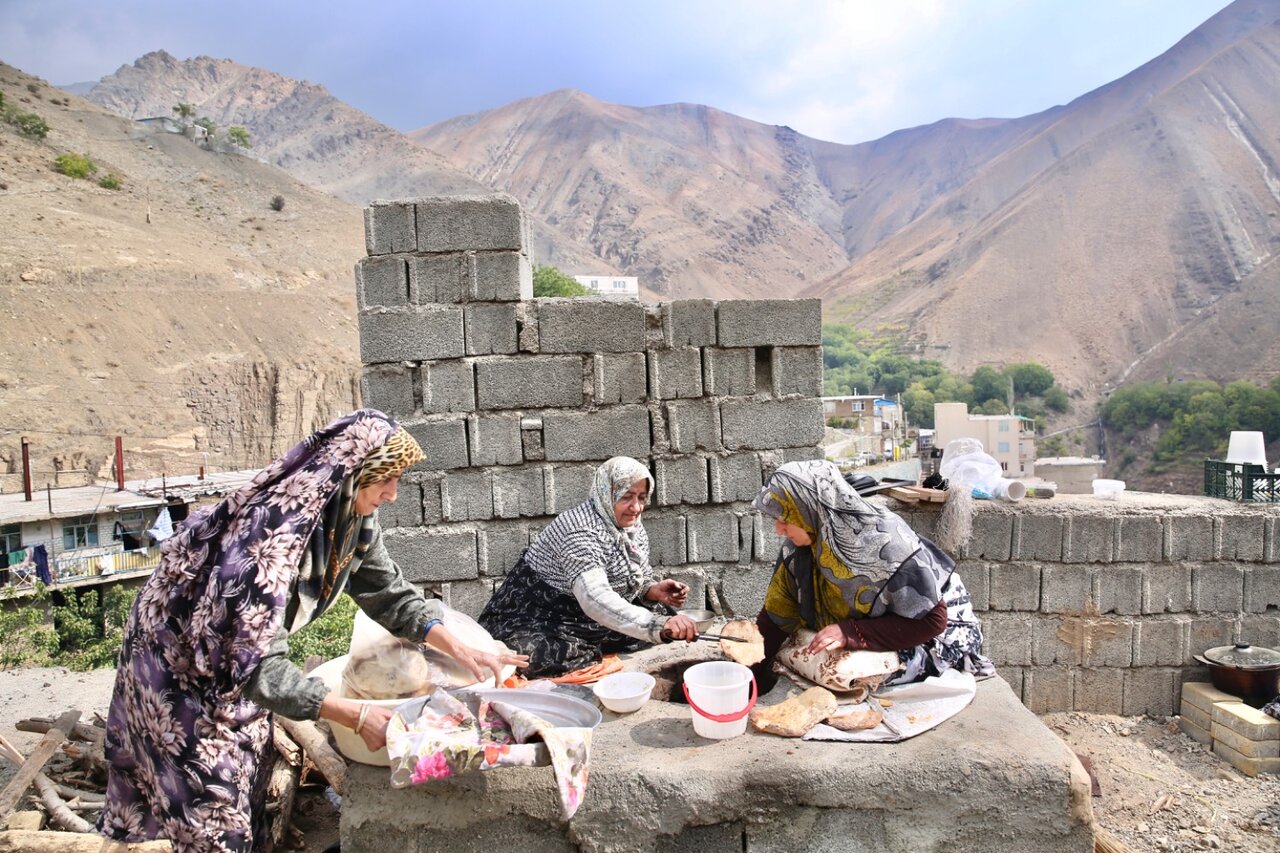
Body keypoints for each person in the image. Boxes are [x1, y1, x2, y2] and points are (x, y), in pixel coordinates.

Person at [97, 409, 526, 852]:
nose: (394, 494)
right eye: (387, 480)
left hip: (236, 667)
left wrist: (464, 649)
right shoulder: (271, 536)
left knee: (251, 787)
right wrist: (356, 715)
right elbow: (259, 669)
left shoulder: (349, 518)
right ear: (355, 472)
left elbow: (390, 596)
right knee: (212, 811)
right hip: (178, 672)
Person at [750, 459, 993, 690]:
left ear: (809, 509)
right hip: (878, 625)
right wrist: (748, 675)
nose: (779, 530)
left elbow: (932, 621)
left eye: (785, 519)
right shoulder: (800, 549)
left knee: (840, 674)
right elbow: (775, 618)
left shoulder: (886, 545)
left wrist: (852, 633)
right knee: (793, 654)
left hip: (936, 632)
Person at [479, 456, 699, 677]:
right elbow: (594, 598)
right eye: (626, 497)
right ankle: (583, 644)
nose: (636, 507)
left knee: (661, 616)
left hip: (584, 620)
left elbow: (635, 574)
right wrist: (656, 626)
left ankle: (589, 641)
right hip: (541, 616)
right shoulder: (579, 531)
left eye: (642, 497)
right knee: (527, 654)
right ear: (606, 492)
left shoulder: (630, 526)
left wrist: (652, 590)